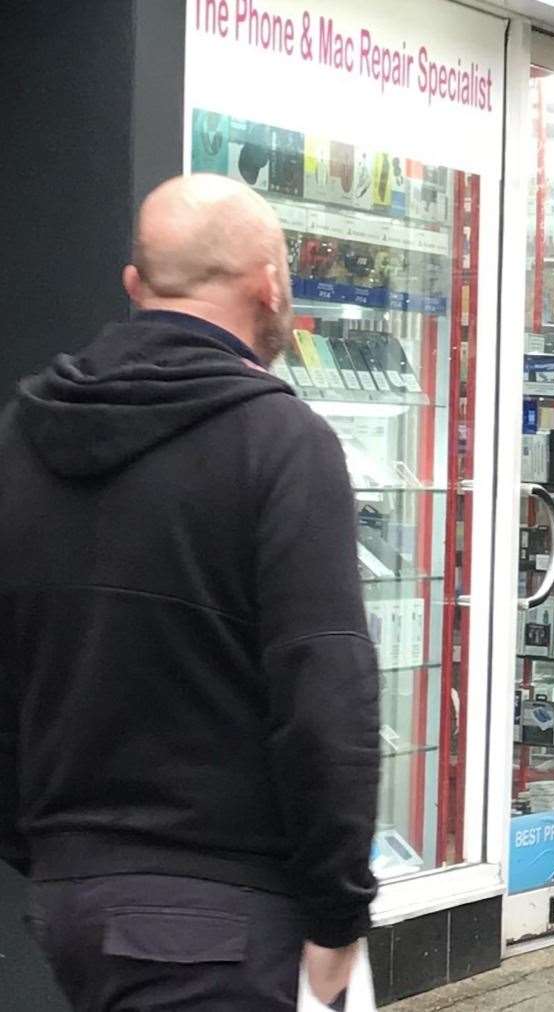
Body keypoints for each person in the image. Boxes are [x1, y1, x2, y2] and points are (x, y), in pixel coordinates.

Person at [0, 174, 378, 1009]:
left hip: (70, 898)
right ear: (272, 284)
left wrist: (48, 853)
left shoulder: (26, 435)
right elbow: (326, 694)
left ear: (136, 286)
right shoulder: (282, 443)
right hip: (225, 915)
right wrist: (337, 913)